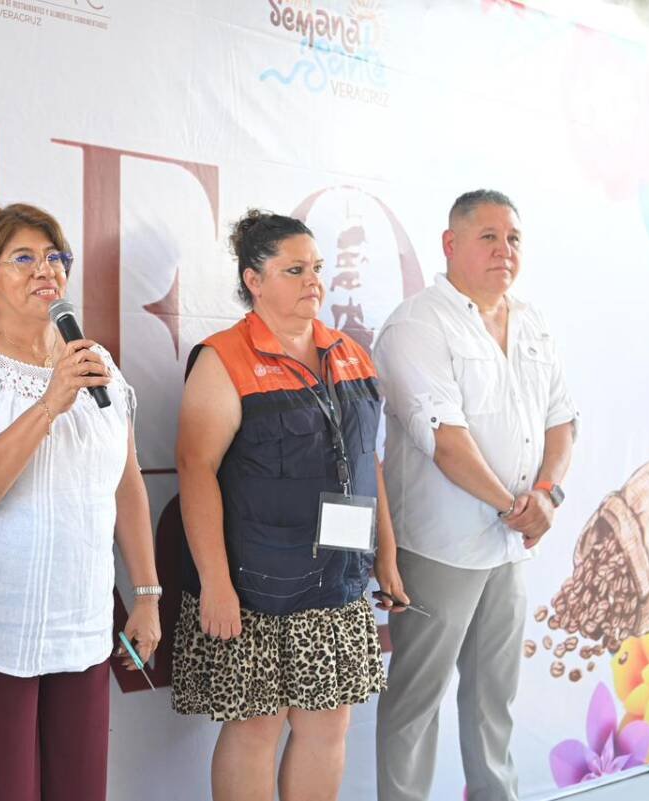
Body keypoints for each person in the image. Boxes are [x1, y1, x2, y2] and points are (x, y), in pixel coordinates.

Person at [0, 203, 161, 801]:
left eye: (55, 256)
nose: (45, 269)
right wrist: (50, 403)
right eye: (23, 257)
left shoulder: (97, 365)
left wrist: (147, 594)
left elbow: (126, 481)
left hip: (81, 630)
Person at [171, 210, 405, 801]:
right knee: (255, 729)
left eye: (317, 268)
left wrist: (386, 558)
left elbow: (367, 462)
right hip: (255, 588)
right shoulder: (223, 358)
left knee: (328, 727)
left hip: (338, 580)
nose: (314, 282)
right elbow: (195, 470)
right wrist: (215, 584)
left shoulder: (349, 352)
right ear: (253, 280)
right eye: (295, 270)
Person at [374, 190, 578, 801]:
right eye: (488, 236)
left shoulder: (532, 321)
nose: (504, 250)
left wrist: (548, 494)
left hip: (510, 547)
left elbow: (562, 420)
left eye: (513, 238)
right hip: (441, 547)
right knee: (416, 701)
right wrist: (516, 507)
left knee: (494, 697)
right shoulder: (416, 324)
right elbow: (445, 440)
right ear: (450, 243)